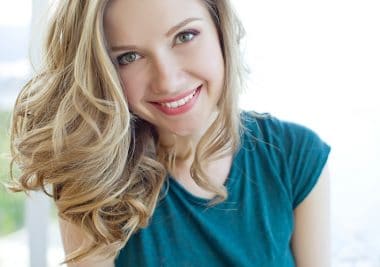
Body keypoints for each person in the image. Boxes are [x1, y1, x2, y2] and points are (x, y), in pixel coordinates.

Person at [9, 0, 331, 266]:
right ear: (102, 73)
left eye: (185, 36)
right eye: (129, 57)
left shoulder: (296, 156)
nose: (167, 81)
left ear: (221, 30)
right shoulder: (94, 177)